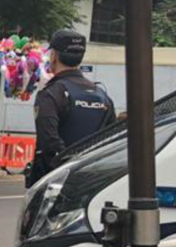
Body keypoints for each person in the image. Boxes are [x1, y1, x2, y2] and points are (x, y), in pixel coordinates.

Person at [26, 29, 115, 186]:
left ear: (53, 56)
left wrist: (67, 166)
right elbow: (110, 140)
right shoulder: (102, 95)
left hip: (55, 183)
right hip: (91, 181)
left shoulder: (51, 94)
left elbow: (49, 143)